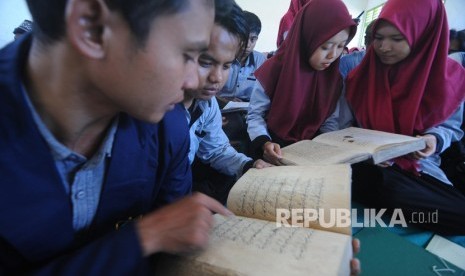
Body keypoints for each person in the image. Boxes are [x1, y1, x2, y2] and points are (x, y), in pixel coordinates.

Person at [0, 0, 235, 274]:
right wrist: (141, 239)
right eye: (187, 55)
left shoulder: (167, 126)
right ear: (93, 27)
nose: (194, 81)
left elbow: (174, 253)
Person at [345, 0, 465, 235]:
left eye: (397, 39)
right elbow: (345, 127)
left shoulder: (452, 80)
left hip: (418, 169)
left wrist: (433, 139)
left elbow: (450, 127)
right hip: (366, 164)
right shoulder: (360, 77)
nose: (384, 47)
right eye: (379, 38)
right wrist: (366, 153)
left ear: (425, 35)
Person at [246, 0, 357, 164]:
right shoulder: (274, 69)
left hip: (312, 154)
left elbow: (330, 121)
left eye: (341, 46)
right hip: (272, 149)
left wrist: (325, 146)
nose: (333, 55)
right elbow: (255, 115)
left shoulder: (333, 78)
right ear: (306, 38)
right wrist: (265, 143)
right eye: (326, 46)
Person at [183, 3, 271, 205]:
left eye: (227, 65)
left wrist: (249, 165)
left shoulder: (207, 104)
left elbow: (217, 150)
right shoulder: (158, 110)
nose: (217, 77)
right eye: (205, 62)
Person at [216, 10, 266, 154]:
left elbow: (262, 96)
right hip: (220, 110)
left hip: (249, 112)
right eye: (243, 38)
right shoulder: (220, 57)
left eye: (253, 39)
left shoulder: (261, 61)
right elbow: (203, 92)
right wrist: (223, 99)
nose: (248, 45)